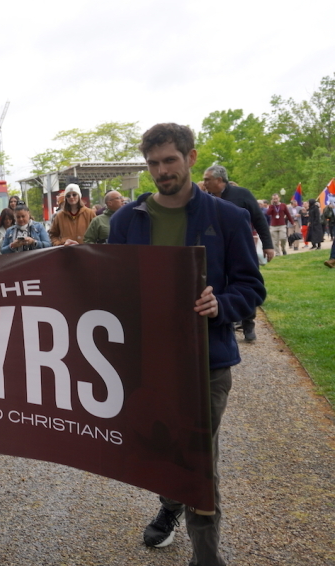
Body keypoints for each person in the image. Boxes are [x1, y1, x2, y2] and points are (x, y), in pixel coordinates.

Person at [109, 123, 265, 566]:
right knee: (162, 449)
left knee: (197, 460)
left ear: (191, 158)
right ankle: (172, 502)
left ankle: (207, 556)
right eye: (153, 164)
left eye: (169, 161)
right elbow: (113, 290)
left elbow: (251, 286)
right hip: (148, 366)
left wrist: (222, 304)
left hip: (206, 364)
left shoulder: (227, 218)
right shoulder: (125, 221)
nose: (162, 171)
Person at [201, 165, 274, 342]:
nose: (204, 183)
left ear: (219, 180)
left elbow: (259, 220)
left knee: (244, 284)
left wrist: (268, 245)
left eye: (207, 179)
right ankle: (229, 320)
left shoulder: (242, 194)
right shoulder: (205, 199)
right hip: (217, 252)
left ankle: (249, 324)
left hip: (241, 249)